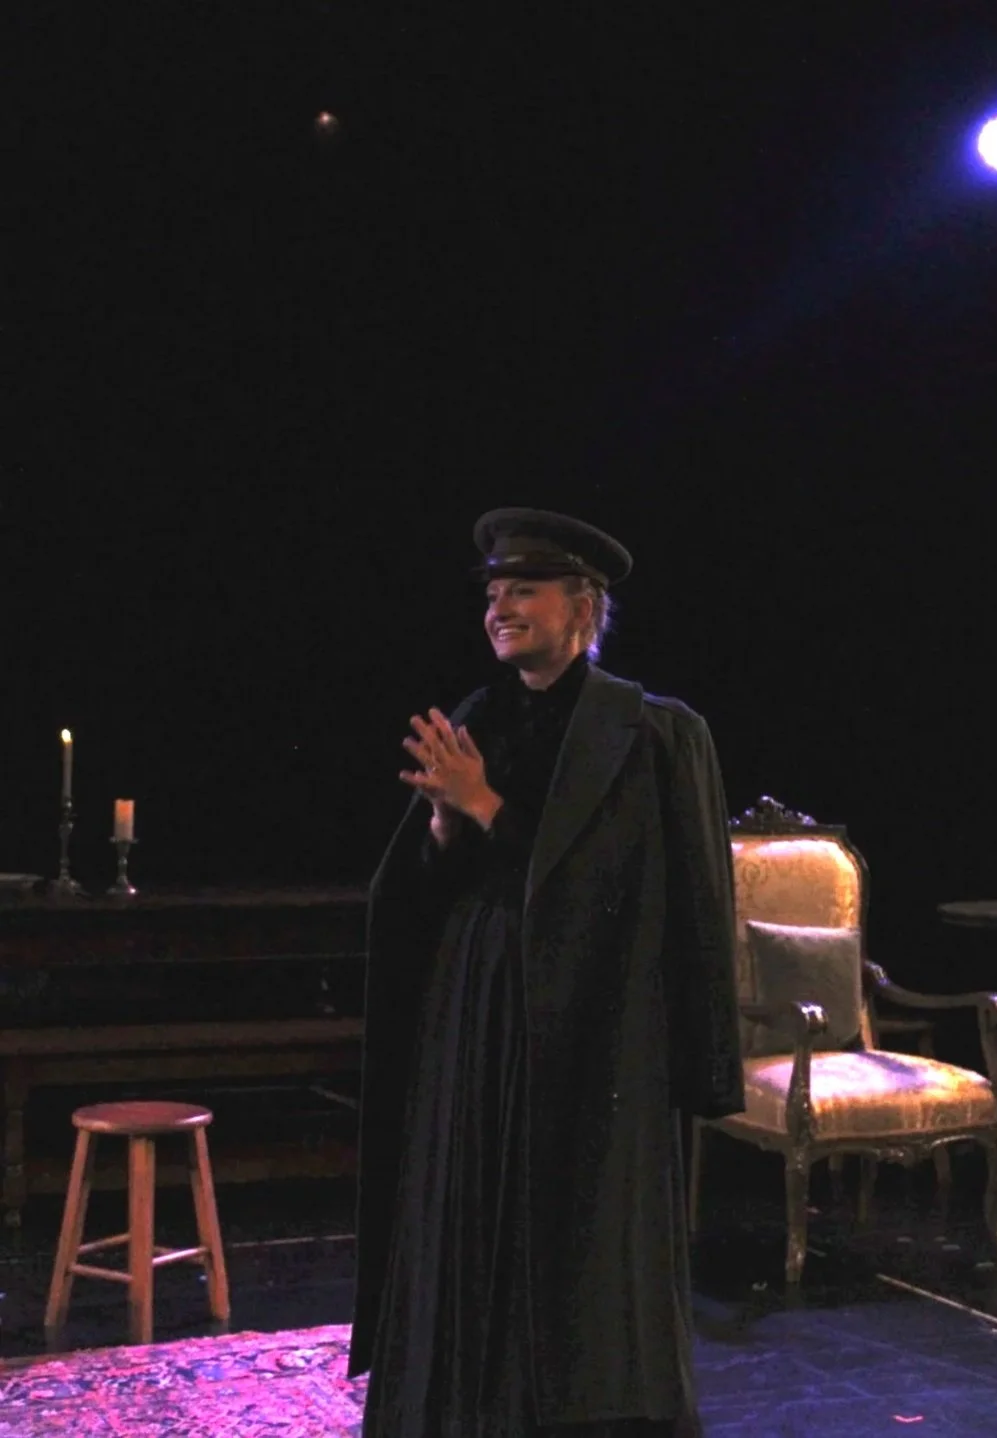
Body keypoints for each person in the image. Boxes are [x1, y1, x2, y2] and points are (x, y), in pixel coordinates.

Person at [349, 508, 743, 1437]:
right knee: (471, 1202)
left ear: (582, 606)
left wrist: (483, 804)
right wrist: (446, 825)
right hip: (480, 1002)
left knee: (578, 1231)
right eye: (492, 593)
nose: (499, 608)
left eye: (522, 590)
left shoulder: (648, 734)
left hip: (594, 1021)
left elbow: (625, 891)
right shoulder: (481, 718)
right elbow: (437, 886)